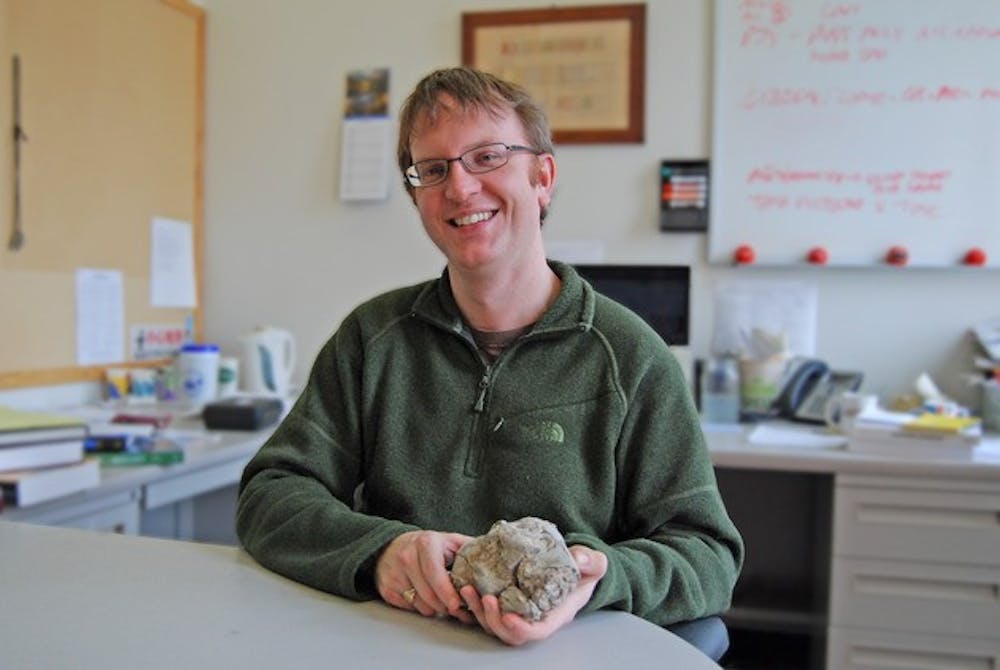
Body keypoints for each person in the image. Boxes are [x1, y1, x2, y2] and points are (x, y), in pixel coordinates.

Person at [236, 66, 743, 647]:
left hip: (567, 653)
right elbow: (270, 494)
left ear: (542, 177)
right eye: (433, 170)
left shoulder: (630, 358)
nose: (459, 188)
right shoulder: (373, 340)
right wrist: (381, 551)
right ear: (417, 196)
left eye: (487, 157)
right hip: (395, 645)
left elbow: (708, 556)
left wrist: (594, 578)